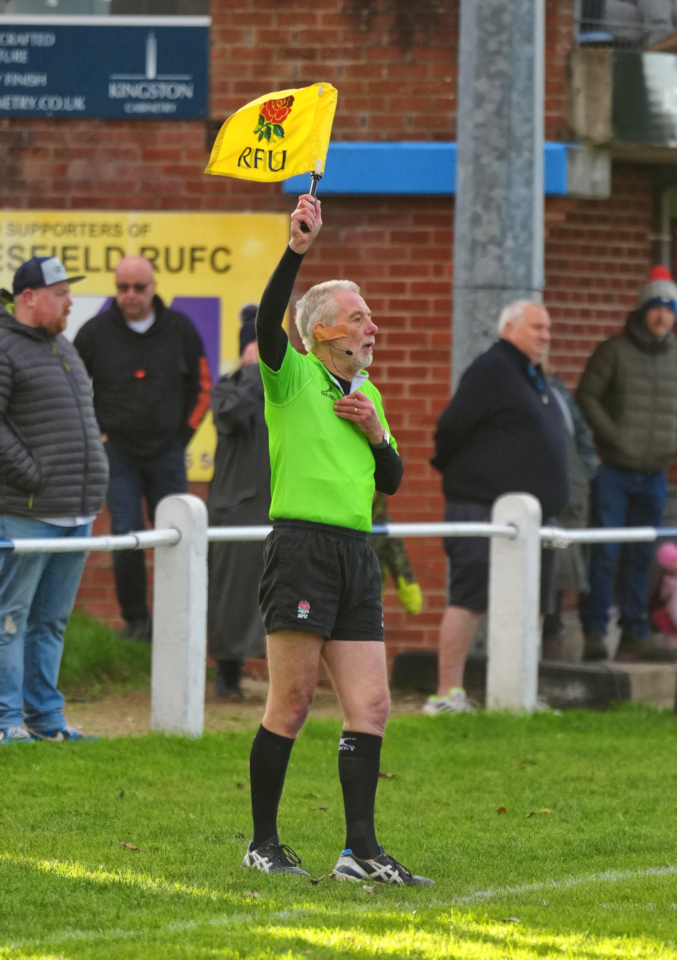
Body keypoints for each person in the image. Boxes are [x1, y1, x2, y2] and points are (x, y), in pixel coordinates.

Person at [243, 194, 432, 887]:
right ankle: (262, 842)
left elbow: (391, 478)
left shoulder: (368, 394)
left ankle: (360, 852)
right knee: (289, 704)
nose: (372, 326)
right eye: (358, 317)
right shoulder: (289, 376)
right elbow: (267, 320)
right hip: (300, 551)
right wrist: (296, 249)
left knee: (372, 705)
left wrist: (375, 433)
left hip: (356, 555)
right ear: (320, 330)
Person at [427, 301, 569, 714]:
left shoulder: (533, 376)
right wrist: (468, 474)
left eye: (548, 328)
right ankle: (447, 693)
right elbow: (450, 429)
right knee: (469, 597)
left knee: (534, 604)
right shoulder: (492, 369)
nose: (546, 335)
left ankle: (520, 693)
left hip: (535, 520)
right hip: (481, 510)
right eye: (537, 327)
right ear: (509, 328)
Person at [74, 256, 212, 641]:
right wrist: (94, 436)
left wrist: (182, 438)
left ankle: (174, 621)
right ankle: (136, 621)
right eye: (122, 287)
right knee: (126, 532)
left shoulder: (180, 329)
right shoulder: (94, 333)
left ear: (153, 287)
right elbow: (71, 389)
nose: (130, 295)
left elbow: (203, 386)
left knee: (176, 534)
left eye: (138, 287)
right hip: (116, 453)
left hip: (167, 452)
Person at [0, 257, 109, 743]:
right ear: (28, 298)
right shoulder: (5, 348)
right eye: (61, 292)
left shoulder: (62, 344)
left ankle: (45, 722)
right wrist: (33, 475)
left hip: (76, 511)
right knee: (9, 620)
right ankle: (5, 723)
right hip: (27, 511)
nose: (70, 302)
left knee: (50, 622)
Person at [577, 266, 677, 662]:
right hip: (614, 471)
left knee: (641, 555)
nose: (662, 315)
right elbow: (587, 398)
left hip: (656, 474)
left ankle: (635, 634)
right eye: (656, 305)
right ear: (643, 309)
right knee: (604, 552)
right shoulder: (613, 351)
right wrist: (613, 437)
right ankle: (594, 634)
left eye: (669, 307)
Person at [207, 305, 268, 701]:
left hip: (280, 505)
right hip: (236, 508)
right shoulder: (230, 386)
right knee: (230, 595)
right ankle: (227, 675)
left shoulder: (290, 386)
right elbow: (229, 416)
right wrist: (251, 375)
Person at [541, 373, 598, 661]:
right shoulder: (520, 387)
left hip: (571, 493)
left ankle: (552, 642)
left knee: (563, 568)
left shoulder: (557, 389)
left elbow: (581, 435)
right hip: (539, 494)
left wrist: (584, 472)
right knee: (543, 569)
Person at [370, 492, 423, 616]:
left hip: (371, 601)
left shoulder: (386, 527)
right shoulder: (336, 520)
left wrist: (412, 599)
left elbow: (400, 564)